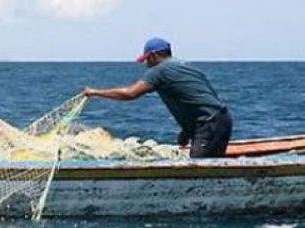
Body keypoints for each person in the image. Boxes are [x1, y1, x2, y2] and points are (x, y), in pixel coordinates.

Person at [84, 38, 233, 158]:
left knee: (200, 170)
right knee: (208, 161)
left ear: (154, 56)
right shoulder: (187, 66)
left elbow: (130, 93)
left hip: (208, 124)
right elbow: (198, 99)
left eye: (147, 60)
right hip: (220, 119)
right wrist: (187, 131)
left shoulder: (159, 70)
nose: (146, 64)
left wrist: (94, 92)